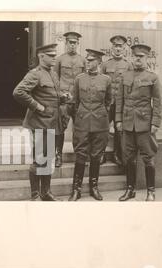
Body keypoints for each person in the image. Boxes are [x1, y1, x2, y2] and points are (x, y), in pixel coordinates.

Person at [13, 43, 66, 201]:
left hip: (51, 122)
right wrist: (38, 107)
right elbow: (18, 92)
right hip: (39, 122)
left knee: (48, 158)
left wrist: (63, 97)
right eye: (50, 55)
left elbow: (51, 95)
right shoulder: (35, 74)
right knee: (39, 159)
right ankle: (35, 195)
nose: (54, 58)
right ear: (41, 57)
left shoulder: (53, 74)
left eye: (55, 55)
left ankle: (46, 192)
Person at [115, 44, 162, 201]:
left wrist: (155, 122)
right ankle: (131, 190)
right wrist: (118, 119)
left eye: (141, 56)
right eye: (135, 56)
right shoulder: (125, 76)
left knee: (148, 158)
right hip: (128, 123)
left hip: (144, 124)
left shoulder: (152, 77)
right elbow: (119, 100)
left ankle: (151, 191)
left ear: (147, 58)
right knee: (129, 157)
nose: (138, 59)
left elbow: (157, 102)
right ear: (132, 57)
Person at [68, 49, 112, 201]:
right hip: (82, 122)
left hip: (100, 123)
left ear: (99, 62)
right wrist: (79, 117)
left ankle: (94, 187)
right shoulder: (79, 78)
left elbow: (108, 101)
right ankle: (76, 189)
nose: (88, 61)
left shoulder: (106, 80)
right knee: (80, 154)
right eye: (87, 59)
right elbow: (74, 102)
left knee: (96, 155)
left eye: (92, 60)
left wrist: (101, 114)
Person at [54, 31, 86, 168]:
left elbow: (85, 80)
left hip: (78, 101)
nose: (72, 45)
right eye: (70, 43)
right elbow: (55, 79)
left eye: (75, 43)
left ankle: (80, 156)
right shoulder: (60, 60)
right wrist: (59, 95)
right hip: (64, 100)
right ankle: (58, 155)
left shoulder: (83, 60)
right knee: (60, 129)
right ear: (66, 43)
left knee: (79, 130)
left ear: (78, 44)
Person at [100, 35, 133, 166]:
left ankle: (117, 154)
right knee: (103, 129)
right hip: (107, 104)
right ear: (112, 47)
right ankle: (101, 154)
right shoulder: (105, 64)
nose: (118, 48)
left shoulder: (128, 65)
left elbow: (131, 85)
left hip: (121, 105)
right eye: (115, 46)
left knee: (119, 130)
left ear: (124, 48)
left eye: (120, 46)